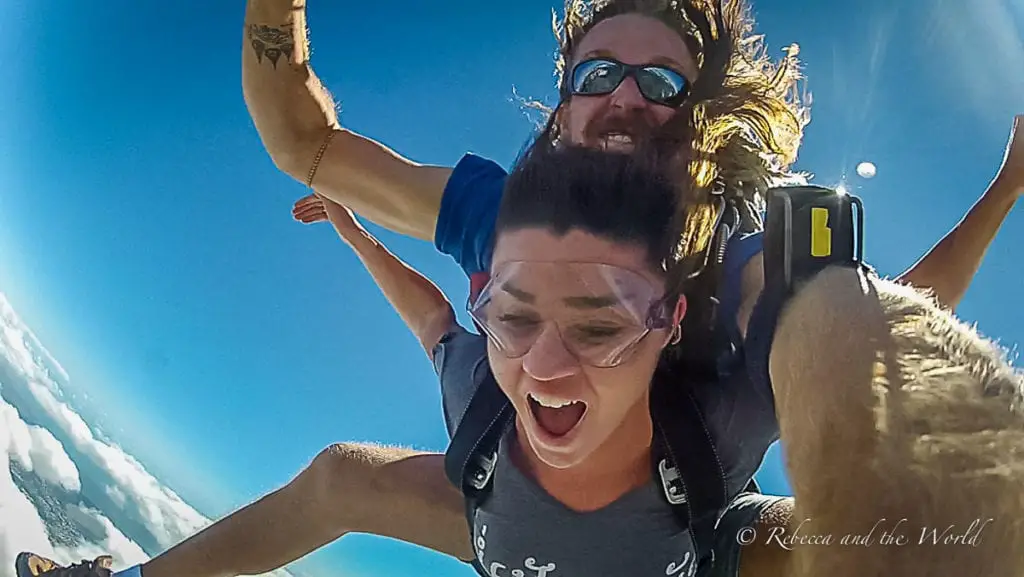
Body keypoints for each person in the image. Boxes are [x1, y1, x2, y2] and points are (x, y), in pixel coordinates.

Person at [19, 143, 1024, 577]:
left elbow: (884, 334)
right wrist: (355, 232)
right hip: (509, 536)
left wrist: (1003, 188)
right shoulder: (480, 383)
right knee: (339, 475)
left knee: (855, 538)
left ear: (661, 323)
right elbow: (427, 316)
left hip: (694, 552)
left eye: (591, 325)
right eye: (519, 317)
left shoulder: (707, 426)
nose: (546, 359)